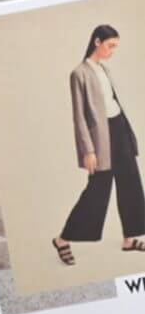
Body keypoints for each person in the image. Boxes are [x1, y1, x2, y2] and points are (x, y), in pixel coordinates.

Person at [52, 25, 145, 265]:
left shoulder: (105, 69)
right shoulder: (79, 74)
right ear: (97, 42)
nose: (112, 51)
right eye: (110, 45)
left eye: (115, 46)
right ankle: (62, 239)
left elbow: (113, 102)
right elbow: (79, 116)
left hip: (119, 128)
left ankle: (129, 239)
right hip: (101, 138)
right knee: (98, 189)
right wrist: (88, 150)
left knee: (131, 183)